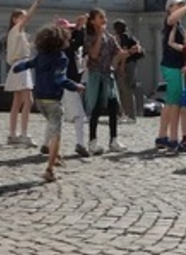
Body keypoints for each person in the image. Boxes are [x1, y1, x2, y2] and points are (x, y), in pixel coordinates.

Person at [13, 24, 85, 183]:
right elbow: (60, 79)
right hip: (53, 100)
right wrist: (76, 87)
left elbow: (29, 64)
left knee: (52, 128)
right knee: (56, 135)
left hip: (39, 100)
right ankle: (50, 169)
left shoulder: (41, 55)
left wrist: (18, 68)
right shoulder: (61, 58)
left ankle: (57, 156)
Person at [84, 9, 136, 154]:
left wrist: (131, 51)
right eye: (101, 17)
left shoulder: (110, 37)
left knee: (113, 108)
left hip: (108, 75)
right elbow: (93, 54)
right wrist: (100, 34)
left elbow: (120, 53)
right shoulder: (90, 36)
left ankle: (114, 140)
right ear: (93, 21)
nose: (104, 19)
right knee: (96, 108)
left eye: (105, 17)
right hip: (96, 75)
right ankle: (92, 142)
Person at [4, 0, 46, 147]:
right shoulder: (17, 29)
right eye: (20, 16)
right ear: (15, 19)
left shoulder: (16, 33)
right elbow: (29, 16)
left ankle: (13, 134)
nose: (24, 18)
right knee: (28, 101)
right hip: (21, 66)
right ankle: (23, 134)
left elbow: (30, 46)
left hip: (18, 66)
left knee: (17, 102)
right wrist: (38, 1)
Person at [157, 0, 186, 152]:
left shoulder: (179, 25)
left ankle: (162, 137)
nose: (181, 7)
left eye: (182, 4)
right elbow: (173, 17)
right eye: (178, 5)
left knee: (170, 103)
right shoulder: (170, 21)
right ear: (170, 8)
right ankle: (173, 139)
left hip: (174, 66)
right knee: (175, 104)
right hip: (172, 66)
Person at [58, 16, 91, 157]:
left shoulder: (56, 46)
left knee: (57, 115)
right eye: (68, 30)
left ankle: (46, 144)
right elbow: (76, 43)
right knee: (78, 115)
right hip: (68, 83)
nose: (71, 32)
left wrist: (79, 28)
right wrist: (79, 27)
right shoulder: (64, 47)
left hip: (60, 84)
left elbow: (78, 43)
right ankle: (80, 144)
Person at [113, 19, 145, 122]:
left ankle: (129, 115)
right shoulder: (130, 36)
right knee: (125, 89)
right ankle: (127, 114)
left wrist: (121, 67)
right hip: (131, 64)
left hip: (127, 65)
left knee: (126, 89)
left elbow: (124, 54)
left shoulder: (123, 37)